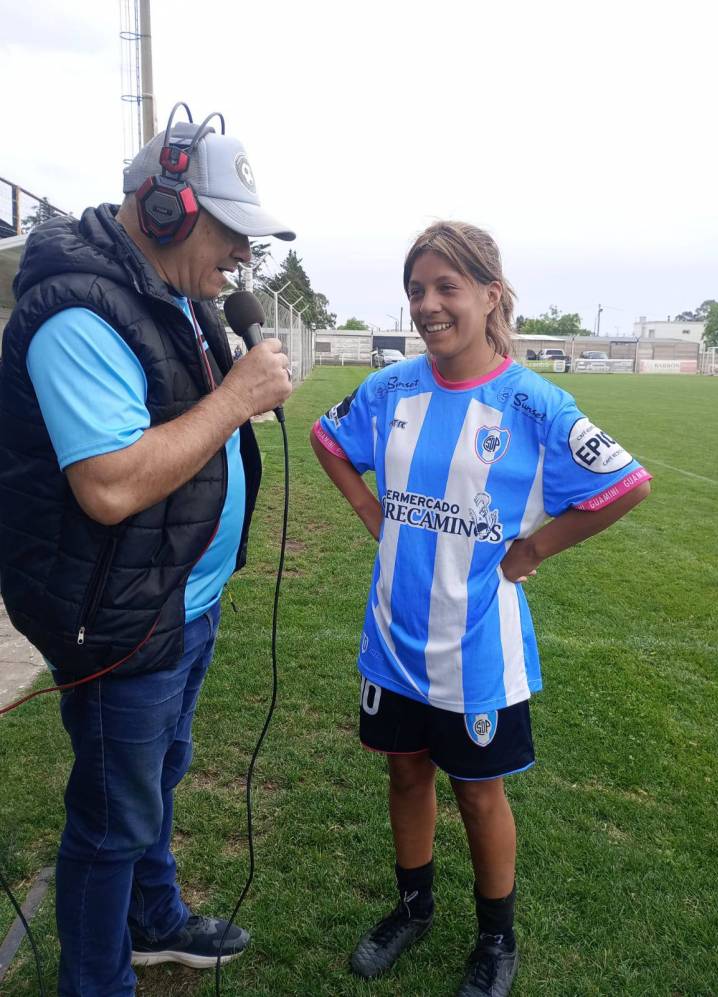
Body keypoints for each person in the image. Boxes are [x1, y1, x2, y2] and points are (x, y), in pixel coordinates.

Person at [310, 221, 651, 997]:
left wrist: (536, 549)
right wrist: (369, 509)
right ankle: (413, 908)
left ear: (490, 295)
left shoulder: (533, 403)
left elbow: (626, 482)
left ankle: (497, 939)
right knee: (405, 772)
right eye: (416, 290)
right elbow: (329, 439)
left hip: (477, 648)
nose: (427, 305)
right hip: (394, 636)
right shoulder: (391, 388)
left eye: (446, 287)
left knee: (476, 790)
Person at [0, 103, 294, 996]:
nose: (242, 254)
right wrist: (236, 397)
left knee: (158, 776)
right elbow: (111, 484)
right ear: (163, 209)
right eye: (229, 231)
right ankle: (98, 980)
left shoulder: (177, 295)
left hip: (175, 599)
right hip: (117, 616)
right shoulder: (77, 314)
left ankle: (153, 919)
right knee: (111, 822)